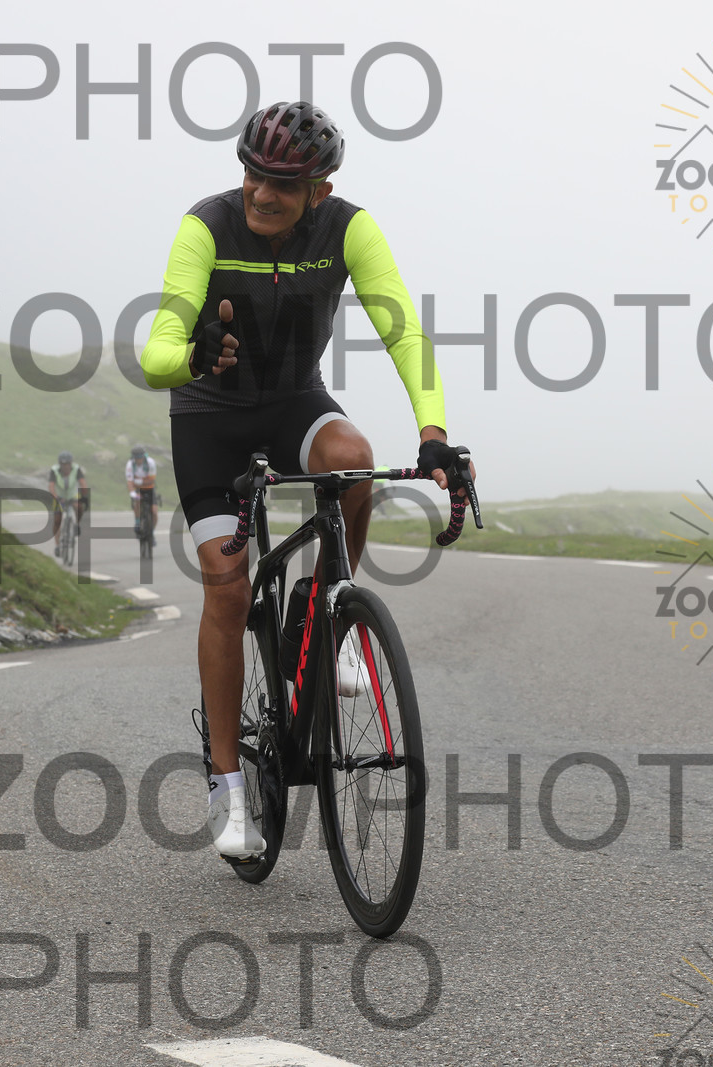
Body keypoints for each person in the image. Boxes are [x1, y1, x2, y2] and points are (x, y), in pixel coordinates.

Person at [139, 101, 474, 860]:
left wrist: (433, 435)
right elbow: (155, 355)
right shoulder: (206, 225)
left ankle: (325, 611)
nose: (261, 193)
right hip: (209, 415)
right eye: (253, 174)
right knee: (228, 590)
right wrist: (194, 354)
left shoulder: (349, 228)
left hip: (294, 402)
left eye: (283, 184)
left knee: (352, 455)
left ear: (320, 190)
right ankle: (228, 786)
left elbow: (404, 331)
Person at [47, 451, 88, 553]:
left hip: (72, 495)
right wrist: (56, 498)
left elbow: (83, 483)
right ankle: (57, 546)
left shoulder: (76, 469)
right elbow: (51, 486)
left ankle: (77, 524)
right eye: (63, 464)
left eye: (67, 464)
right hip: (59, 496)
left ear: (71, 463)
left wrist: (84, 496)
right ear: (60, 464)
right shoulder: (54, 470)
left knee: (79, 507)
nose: (65, 467)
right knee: (57, 520)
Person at [125, 445, 159, 544]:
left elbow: (151, 480)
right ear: (133, 457)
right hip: (138, 490)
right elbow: (129, 482)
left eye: (140, 457)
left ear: (144, 456)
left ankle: (151, 533)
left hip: (150, 489)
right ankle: (137, 522)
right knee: (137, 501)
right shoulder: (130, 464)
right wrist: (132, 493)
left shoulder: (150, 462)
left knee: (154, 512)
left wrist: (137, 481)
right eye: (136, 458)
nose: (138, 460)